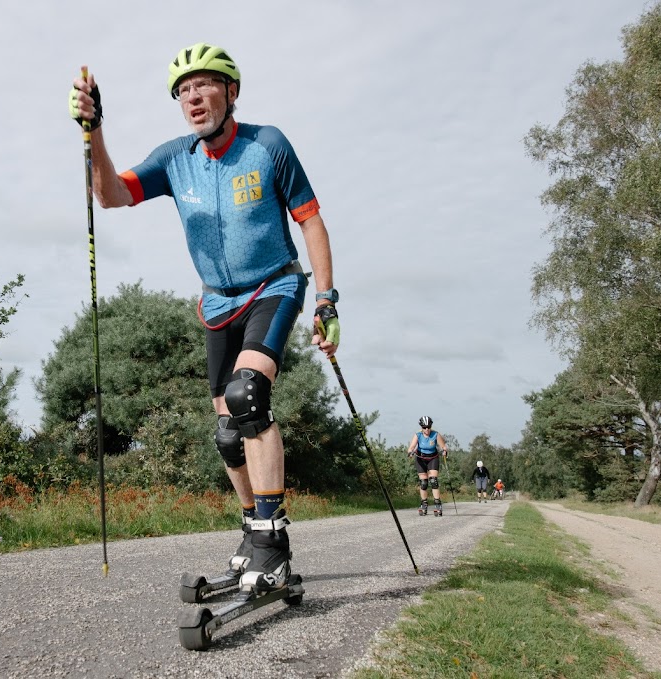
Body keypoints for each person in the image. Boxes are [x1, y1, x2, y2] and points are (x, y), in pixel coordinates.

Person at [69, 43, 340, 597]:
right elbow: (111, 194)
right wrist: (95, 131)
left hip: (274, 284)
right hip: (218, 301)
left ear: (231, 92)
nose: (193, 96)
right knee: (226, 435)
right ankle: (251, 529)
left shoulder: (268, 145)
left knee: (248, 397)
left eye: (205, 84)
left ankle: (271, 538)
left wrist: (326, 300)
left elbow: (311, 222)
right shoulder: (176, 158)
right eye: (183, 89)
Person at [406, 416, 449, 516]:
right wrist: (410, 452)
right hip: (421, 459)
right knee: (424, 483)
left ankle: (438, 504)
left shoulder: (436, 434)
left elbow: (443, 446)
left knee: (433, 481)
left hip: (433, 458)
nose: (427, 429)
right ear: (421, 427)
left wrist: (444, 451)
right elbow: (411, 447)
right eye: (425, 427)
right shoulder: (418, 435)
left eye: (429, 427)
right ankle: (424, 504)